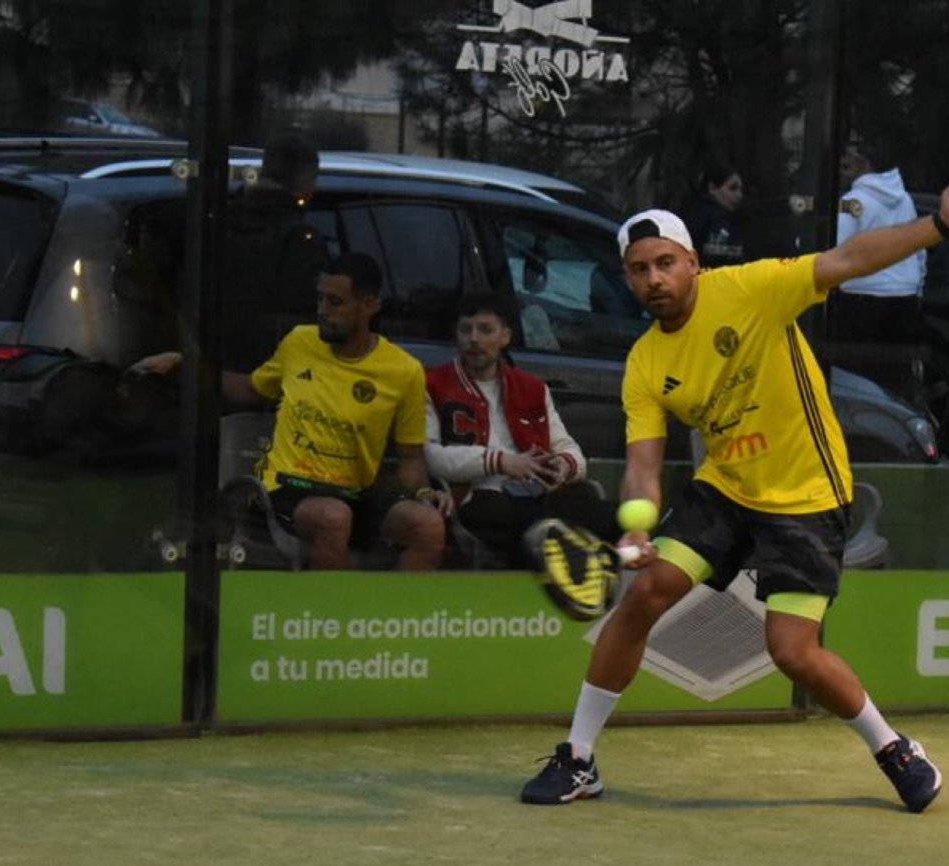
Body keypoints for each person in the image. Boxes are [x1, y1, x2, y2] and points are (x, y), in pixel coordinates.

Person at [520, 174, 949, 811]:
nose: (654, 279)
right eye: (639, 270)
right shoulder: (644, 364)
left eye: (665, 263)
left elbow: (849, 259)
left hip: (807, 494)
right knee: (646, 593)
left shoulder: (753, 289)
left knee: (791, 652)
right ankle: (578, 758)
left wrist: (938, 226)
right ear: (627, 279)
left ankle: (894, 748)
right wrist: (636, 525)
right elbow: (643, 463)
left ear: (693, 262)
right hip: (726, 488)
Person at [133, 252, 451, 570]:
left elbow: (411, 458)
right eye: (320, 299)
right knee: (333, 517)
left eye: (335, 302)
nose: (322, 311)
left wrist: (423, 492)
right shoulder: (299, 342)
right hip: (288, 486)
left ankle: (393, 603)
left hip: (357, 494)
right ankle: (331, 603)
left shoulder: (404, 370)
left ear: (369, 305)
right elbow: (250, 389)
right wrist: (186, 363)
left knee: (427, 526)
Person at [425, 290, 613, 565]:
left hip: (535, 494)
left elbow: (571, 451)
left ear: (505, 337)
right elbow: (431, 457)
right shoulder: (433, 384)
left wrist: (562, 465)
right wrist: (503, 462)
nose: (474, 339)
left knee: (605, 512)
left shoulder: (532, 388)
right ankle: (556, 547)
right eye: (466, 330)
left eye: (485, 330)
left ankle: (560, 548)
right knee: (504, 513)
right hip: (477, 498)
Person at [827, 137, 928, 409]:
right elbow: (918, 246)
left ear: (864, 165)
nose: (841, 172)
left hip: (861, 297)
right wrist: (918, 287)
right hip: (904, 295)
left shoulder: (852, 202)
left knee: (857, 376)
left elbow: (837, 249)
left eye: (846, 165)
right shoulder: (904, 199)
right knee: (895, 373)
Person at [219, 130, 330, 372]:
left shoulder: (219, 222)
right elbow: (308, 317)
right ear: (307, 182)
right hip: (275, 371)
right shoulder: (300, 240)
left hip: (214, 364)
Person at [681, 164, 746, 267]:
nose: (739, 195)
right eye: (732, 188)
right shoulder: (717, 221)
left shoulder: (692, 212)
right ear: (712, 188)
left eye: (740, 189)